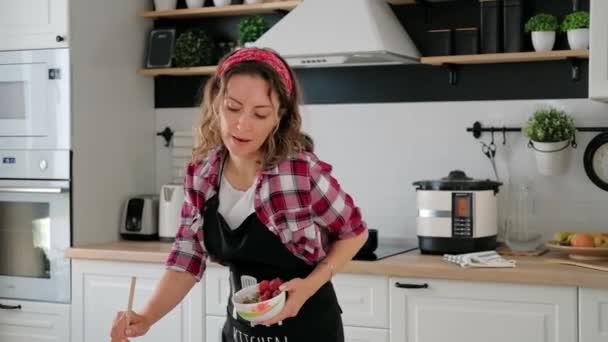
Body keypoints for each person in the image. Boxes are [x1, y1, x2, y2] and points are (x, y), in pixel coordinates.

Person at [110, 47, 368, 342]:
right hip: (240, 332)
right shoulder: (203, 174)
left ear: (278, 118)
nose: (242, 125)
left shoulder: (298, 173)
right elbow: (187, 256)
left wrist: (310, 285)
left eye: (260, 114)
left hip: (309, 329)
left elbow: (354, 232)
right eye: (233, 108)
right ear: (216, 105)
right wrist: (146, 317)